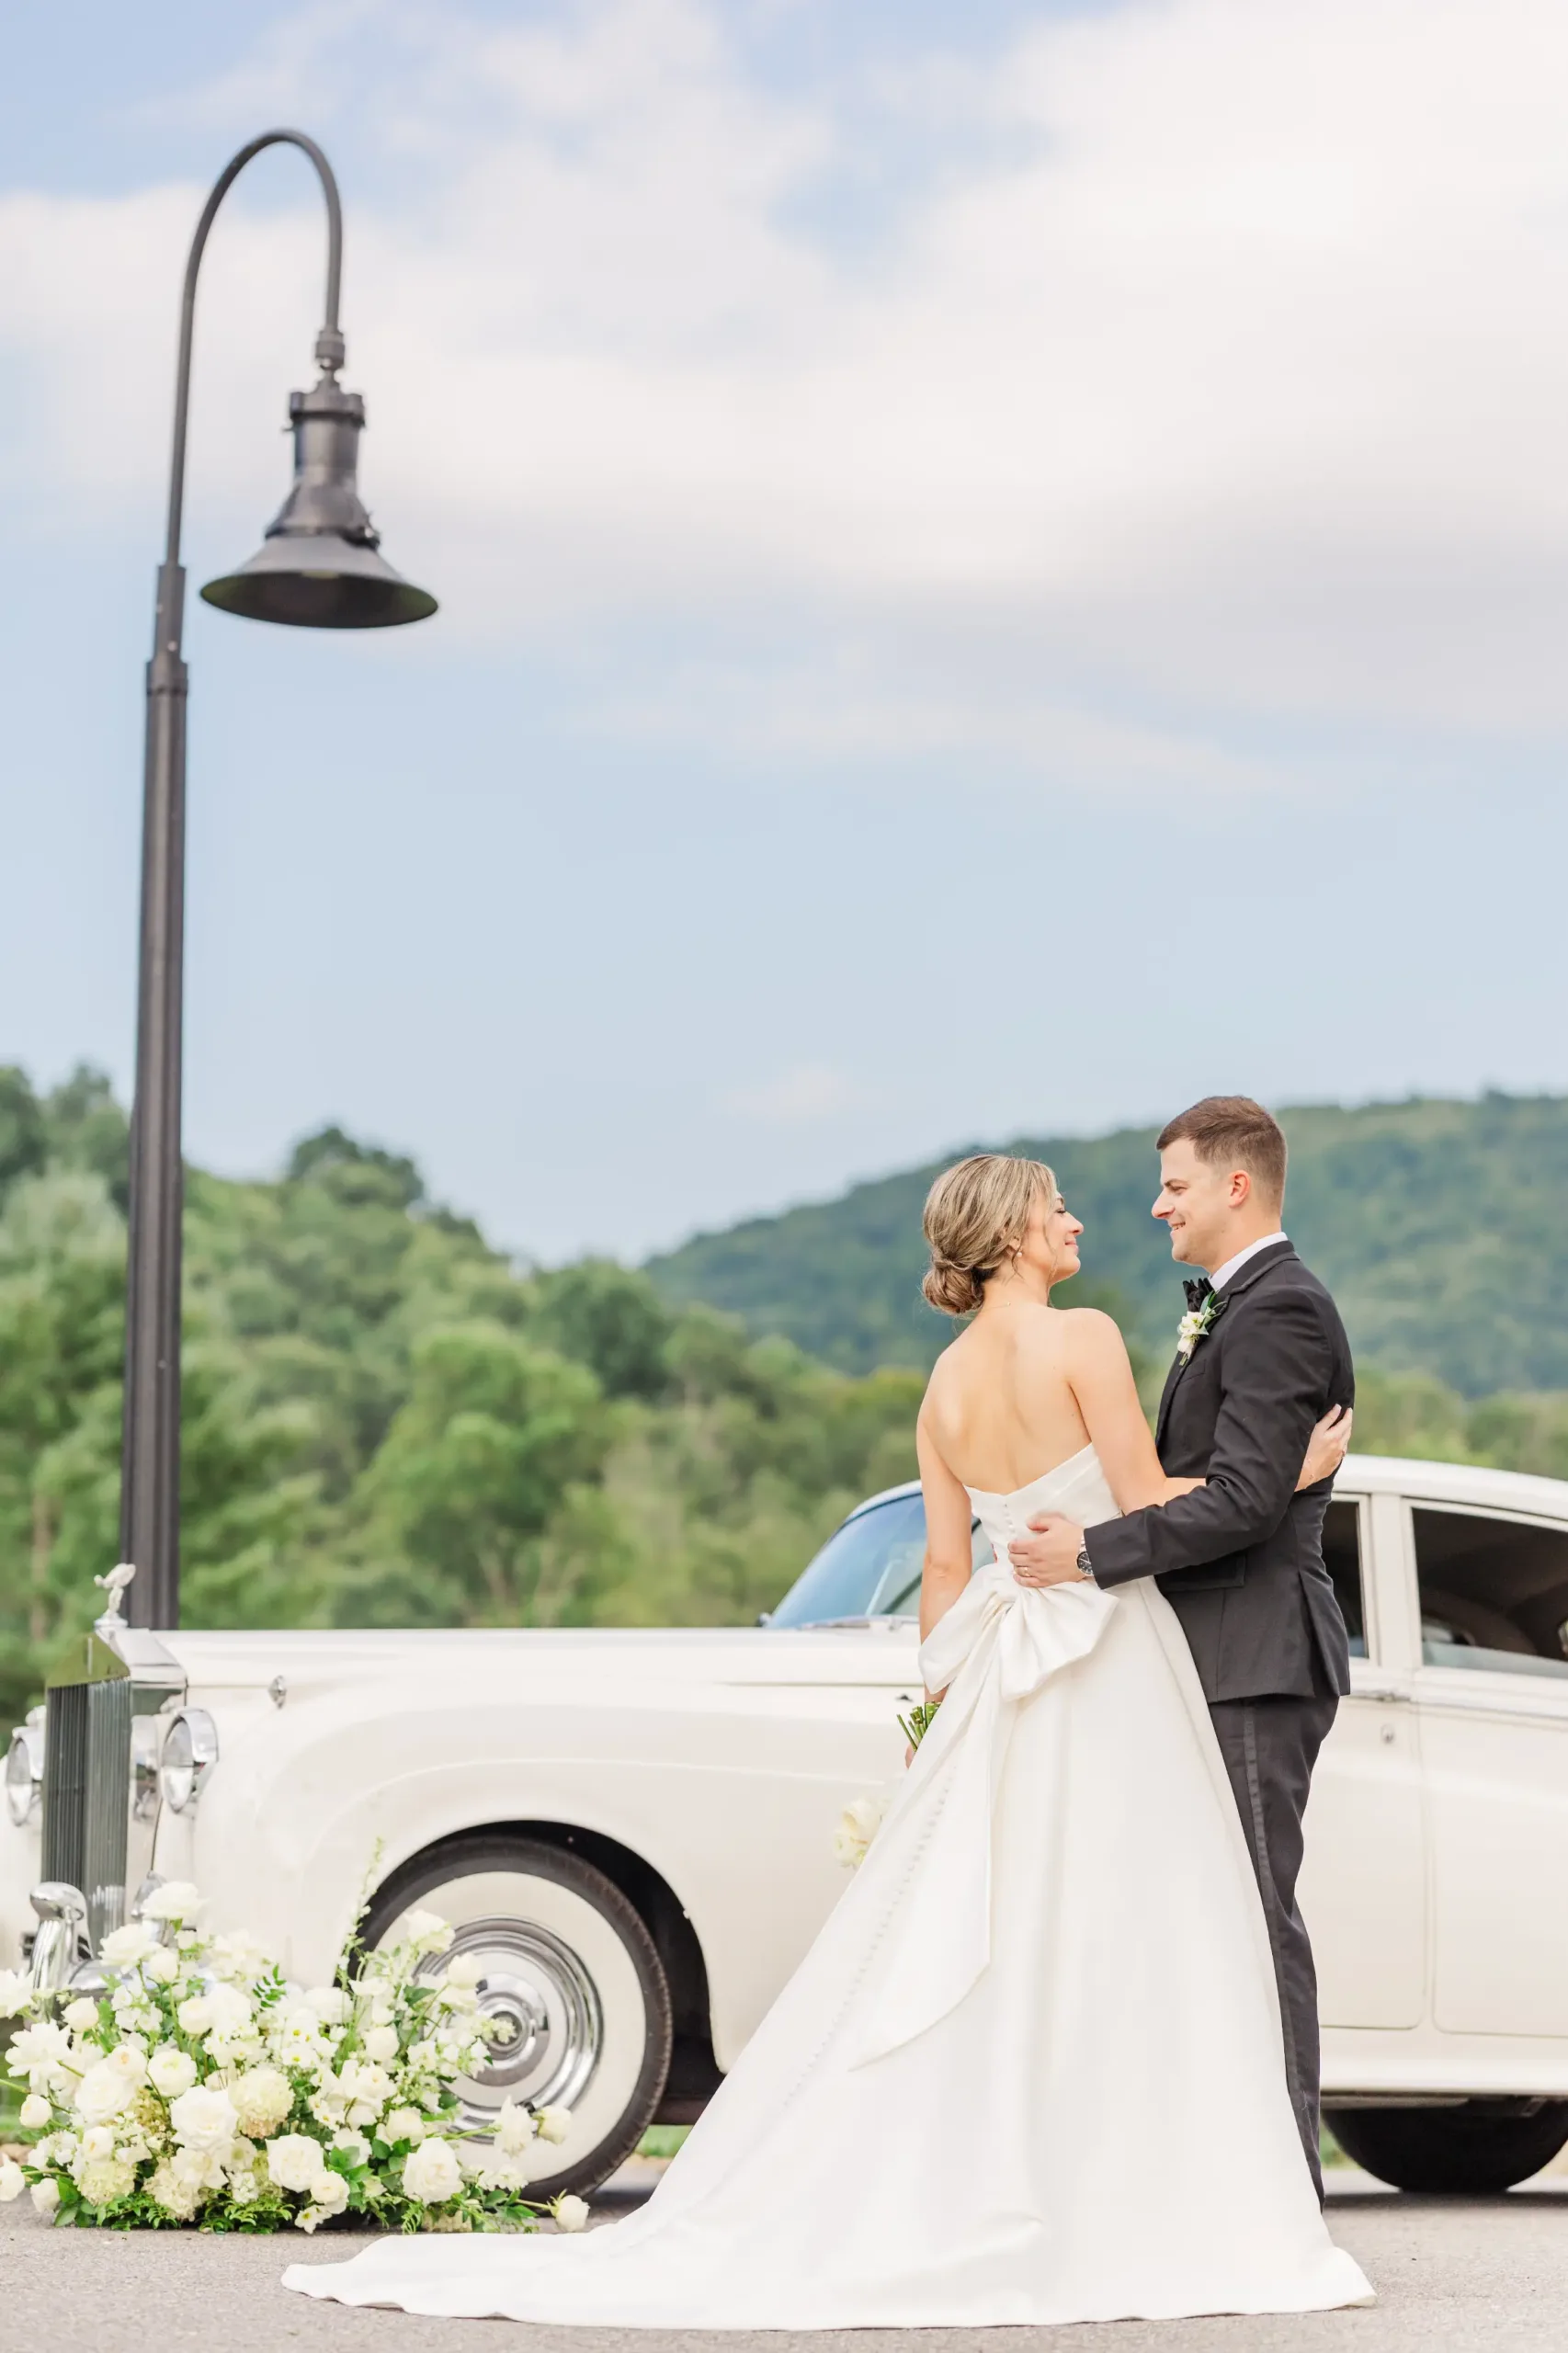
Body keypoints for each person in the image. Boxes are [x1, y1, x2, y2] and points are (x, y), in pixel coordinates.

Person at [283, 1149, 1371, 2329]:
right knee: (1132, 1921)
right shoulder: (1086, 1338)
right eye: (1053, 1205)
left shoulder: (941, 1390)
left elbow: (945, 1574)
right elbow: (1145, 1493)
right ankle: (1137, 2187)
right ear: (1012, 1231)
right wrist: (1289, 1479)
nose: (1075, 1220)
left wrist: (939, 1705)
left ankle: (1028, 2180)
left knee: (1004, 1926)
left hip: (1001, 1669)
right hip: (1105, 1655)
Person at [1006, 1095, 1351, 2198]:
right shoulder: (1227, 1308)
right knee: (1194, 1920)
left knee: (1252, 1919)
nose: (1156, 1205)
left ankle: (1284, 2192)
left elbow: (1245, 1498)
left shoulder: (1280, 1309)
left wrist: (1090, 1554)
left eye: (1175, 1184)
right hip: (1197, 1655)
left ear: (1234, 1187)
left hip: (1254, 1653)